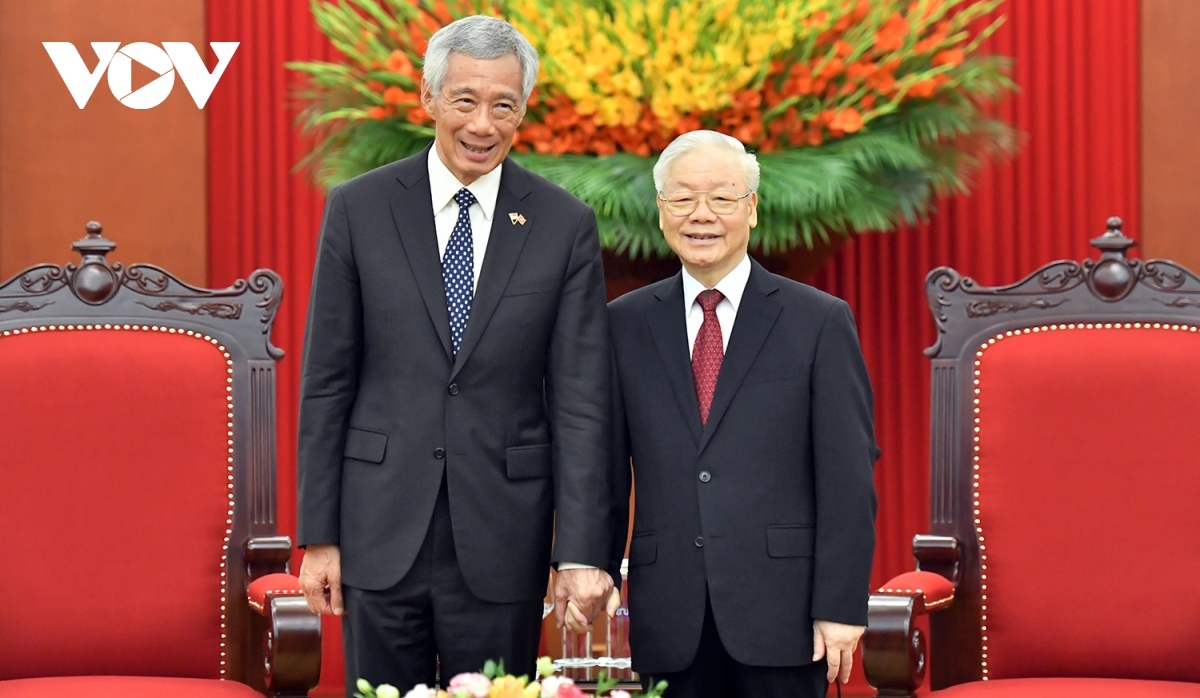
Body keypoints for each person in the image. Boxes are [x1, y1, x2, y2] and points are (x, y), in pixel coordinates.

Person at [295, 15, 613, 695]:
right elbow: (327, 379)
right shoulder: (361, 208)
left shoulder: (563, 224)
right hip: (379, 528)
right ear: (429, 98)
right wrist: (318, 536)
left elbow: (582, 400)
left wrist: (580, 550)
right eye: (466, 101)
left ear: (524, 110)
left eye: (504, 105)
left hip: (505, 534)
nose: (483, 124)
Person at [605, 130, 878, 698]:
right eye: (682, 199)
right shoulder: (623, 325)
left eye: (722, 198)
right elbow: (602, 469)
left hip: (786, 615)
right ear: (661, 211)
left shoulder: (818, 320)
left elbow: (847, 477)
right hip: (669, 614)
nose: (701, 215)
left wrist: (841, 605)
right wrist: (593, 566)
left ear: (751, 209)